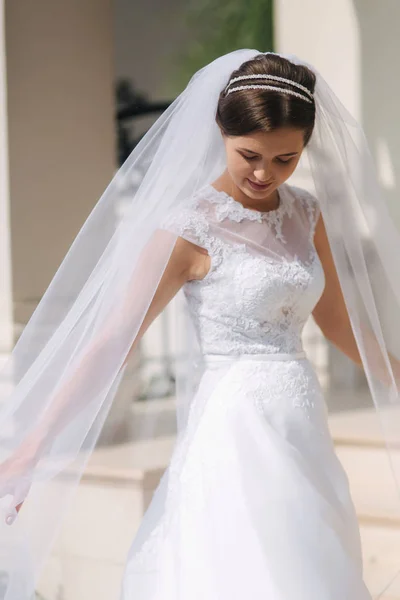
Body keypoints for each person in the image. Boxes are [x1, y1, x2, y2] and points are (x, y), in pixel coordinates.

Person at [0, 49, 399, 599]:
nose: (265, 173)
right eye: (250, 154)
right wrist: (32, 447)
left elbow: (337, 323)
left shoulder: (306, 213)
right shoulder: (189, 228)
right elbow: (114, 338)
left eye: (285, 159)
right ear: (221, 131)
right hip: (234, 427)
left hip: (301, 423)